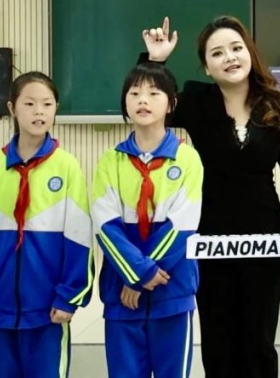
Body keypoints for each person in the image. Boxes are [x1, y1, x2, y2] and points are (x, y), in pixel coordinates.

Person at [141, 15, 280, 378]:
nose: (230, 57)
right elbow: (146, 106)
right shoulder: (196, 101)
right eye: (217, 53)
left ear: (250, 53)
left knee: (259, 345)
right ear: (207, 67)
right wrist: (155, 62)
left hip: (264, 239)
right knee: (219, 344)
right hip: (210, 239)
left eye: (236, 48)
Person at [0, 71, 94, 378]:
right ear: (12, 108)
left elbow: (80, 240)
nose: (39, 111)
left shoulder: (67, 166)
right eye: (29, 103)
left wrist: (69, 296)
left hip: (48, 313)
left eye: (47, 104)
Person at [91, 60, 203, 378]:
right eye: (134, 93)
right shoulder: (111, 161)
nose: (143, 100)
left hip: (172, 291)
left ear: (171, 104)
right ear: (124, 102)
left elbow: (183, 226)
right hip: (121, 295)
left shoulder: (187, 158)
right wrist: (136, 274)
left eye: (154, 93)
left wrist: (142, 277)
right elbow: (105, 225)